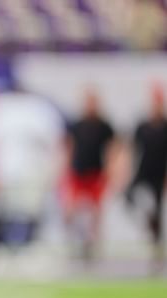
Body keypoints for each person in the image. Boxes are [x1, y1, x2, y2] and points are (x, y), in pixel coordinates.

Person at [63, 87, 115, 261]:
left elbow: (113, 148)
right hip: (78, 172)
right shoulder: (77, 125)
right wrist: (66, 169)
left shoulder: (104, 126)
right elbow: (69, 147)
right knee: (71, 211)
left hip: (96, 173)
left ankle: (92, 244)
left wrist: (110, 169)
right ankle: (77, 240)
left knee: (95, 212)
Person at [127, 85, 167, 273]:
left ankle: (155, 248)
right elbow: (132, 149)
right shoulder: (142, 126)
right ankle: (148, 219)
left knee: (158, 213)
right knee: (129, 197)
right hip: (143, 172)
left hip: (159, 174)